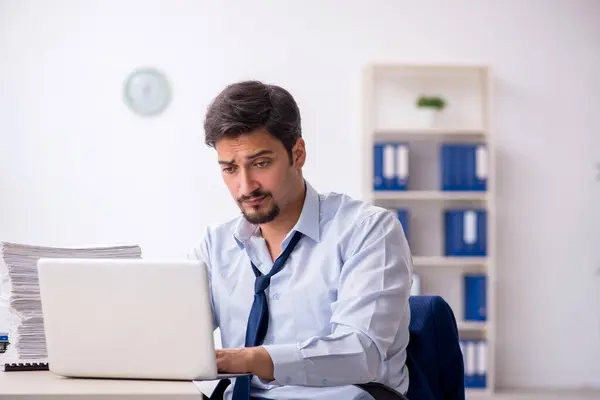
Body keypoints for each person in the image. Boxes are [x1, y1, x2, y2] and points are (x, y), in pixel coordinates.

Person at [188, 80, 413, 400]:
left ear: (298, 153)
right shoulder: (215, 246)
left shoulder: (368, 230)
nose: (245, 187)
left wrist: (250, 359)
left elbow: (362, 353)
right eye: (230, 169)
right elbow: (174, 338)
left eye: (261, 163)